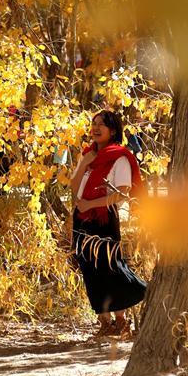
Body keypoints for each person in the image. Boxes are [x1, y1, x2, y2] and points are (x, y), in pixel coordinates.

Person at [70, 110, 147, 337]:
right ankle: (105, 322)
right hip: (82, 218)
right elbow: (74, 188)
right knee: (89, 269)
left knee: (110, 267)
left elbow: (122, 193)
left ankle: (123, 318)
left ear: (113, 130)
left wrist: (91, 204)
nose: (95, 128)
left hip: (104, 219)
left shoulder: (120, 157)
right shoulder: (89, 155)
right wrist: (84, 162)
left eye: (101, 125)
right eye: (93, 124)